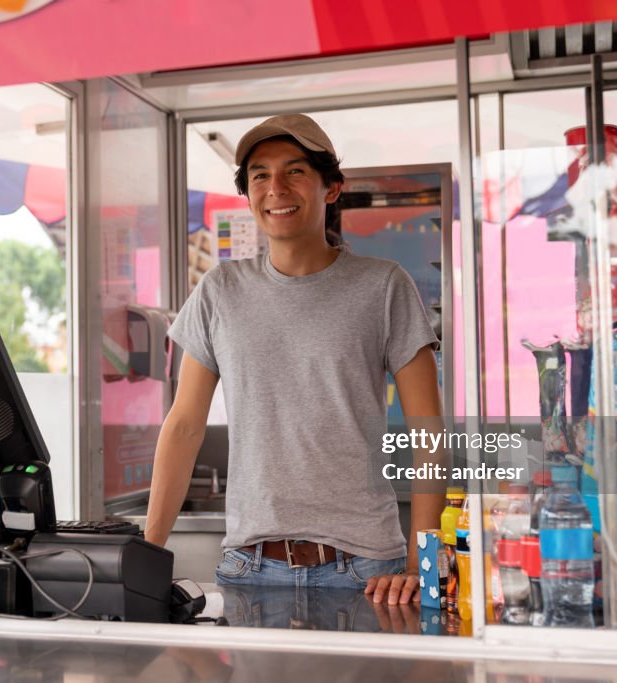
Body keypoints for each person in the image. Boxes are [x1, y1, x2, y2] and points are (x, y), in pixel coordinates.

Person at [144, 114, 445, 605]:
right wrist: (147, 556)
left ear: (332, 188)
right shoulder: (219, 291)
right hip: (248, 568)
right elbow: (183, 427)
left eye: (295, 171)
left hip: (367, 571)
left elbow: (428, 432)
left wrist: (424, 569)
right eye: (260, 175)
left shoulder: (384, 285)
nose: (276, 188)